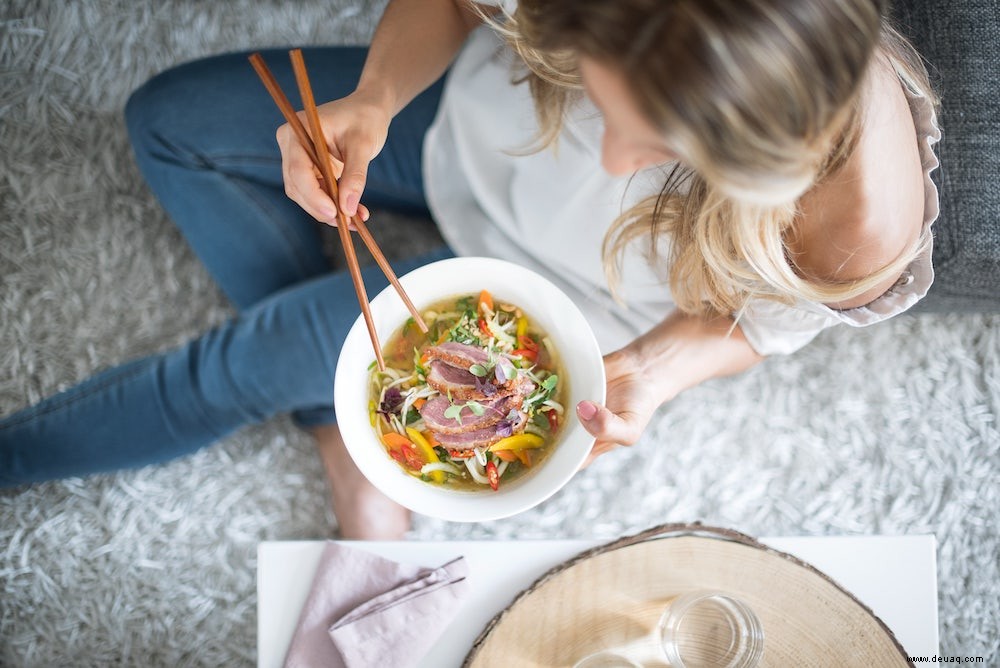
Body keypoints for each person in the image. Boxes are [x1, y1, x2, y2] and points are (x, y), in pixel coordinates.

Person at [0, 0, 939, 539]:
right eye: (606, 103)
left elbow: (754, 322)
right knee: (167, 122)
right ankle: (338, 432)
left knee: (230, 370)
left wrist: (651, 375)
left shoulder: (857, 221)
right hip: (470, 128)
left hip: (575, 291)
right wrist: (375, 98)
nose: (616, 161)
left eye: (661, 148)